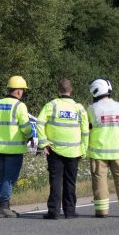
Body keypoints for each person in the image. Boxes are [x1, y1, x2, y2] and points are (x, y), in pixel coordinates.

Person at [37, 79, 89, 220]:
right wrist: (83, 151)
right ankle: (70, 211)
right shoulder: (79, 108)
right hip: (74, 152)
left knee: (55, 181)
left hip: (54, 150)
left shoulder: (52, 105)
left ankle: (53, 211)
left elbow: (39, 123)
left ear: (58, 91)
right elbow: (85, 132)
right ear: (71, 91)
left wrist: (44, 144)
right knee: (70, 182)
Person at [0, 76, 34, 218]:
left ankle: (2, 206)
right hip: (14, 150)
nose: (23, 93)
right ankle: (4, 207)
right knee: (9, 178)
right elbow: (25, 126)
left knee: (2, 176)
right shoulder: (19, 106)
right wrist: (30, 136)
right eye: (23, 91)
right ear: (19, 91)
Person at [87, 78, 119, 218]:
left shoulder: (91, 109)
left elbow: (88, 127)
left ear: (95, 91)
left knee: (100, 181)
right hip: (118, 151)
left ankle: (102, 211)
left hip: (98, 153)